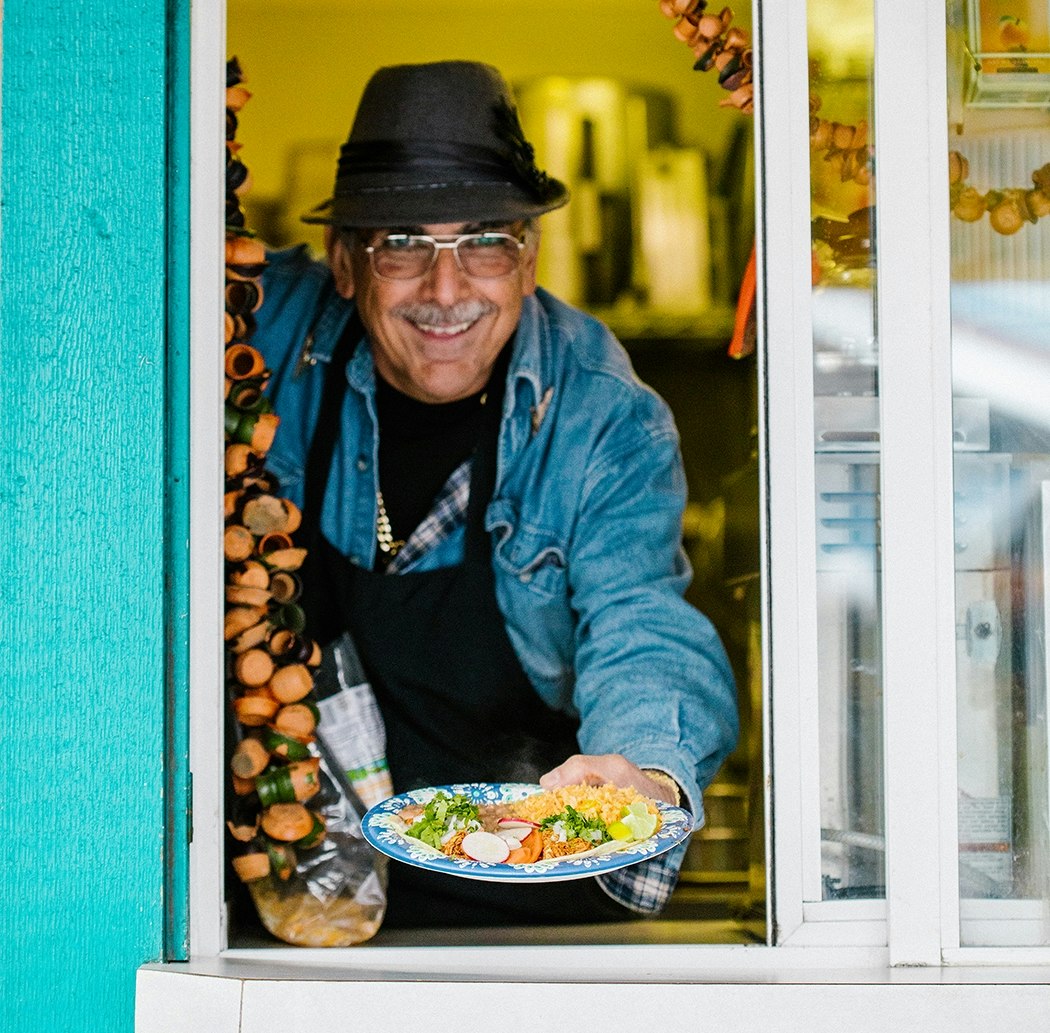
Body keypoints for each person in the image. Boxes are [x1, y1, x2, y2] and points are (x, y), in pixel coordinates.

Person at [252, 60, 738, 928]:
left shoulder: (601, 416)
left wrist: (646, 775)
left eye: (485, 240)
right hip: (308, 909)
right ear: (344, 262)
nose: (448, 290)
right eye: (403, 241)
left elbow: (645, 623)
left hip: (537, 917)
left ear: (528, 257)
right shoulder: (272, 335)